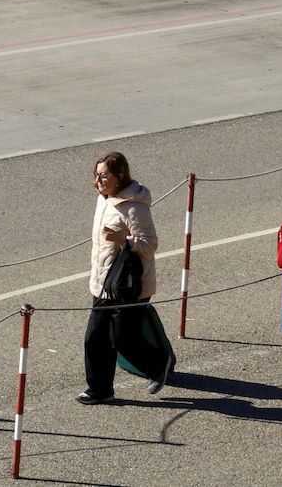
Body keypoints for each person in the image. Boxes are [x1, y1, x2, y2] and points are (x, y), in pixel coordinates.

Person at [78, 151, 174, 403]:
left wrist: (122, 240)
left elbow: (150, 244)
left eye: (104, 176)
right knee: (95, 338)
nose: (99, 181)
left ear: (119, 176)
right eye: (96, 175)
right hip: (103, 283)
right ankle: (100, 390)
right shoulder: (104, 199)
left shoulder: (134, 206)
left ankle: (159, 364)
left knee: (122, 339)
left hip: (129, 285)